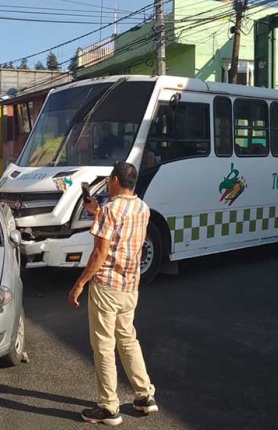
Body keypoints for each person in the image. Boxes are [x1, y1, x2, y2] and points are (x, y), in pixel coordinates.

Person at [68, 162, 157, 426]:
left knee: (104, 346)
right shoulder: (143, 208)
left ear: (116, 180)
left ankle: (108, 408)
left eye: (109, 180)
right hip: (130, 285)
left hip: (107, 285)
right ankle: (144, 396)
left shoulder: (110, 210)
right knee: (128, 339)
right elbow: (122, 231)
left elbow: (100, 253)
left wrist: (80, 283)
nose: (108, 183)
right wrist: (96, 211)